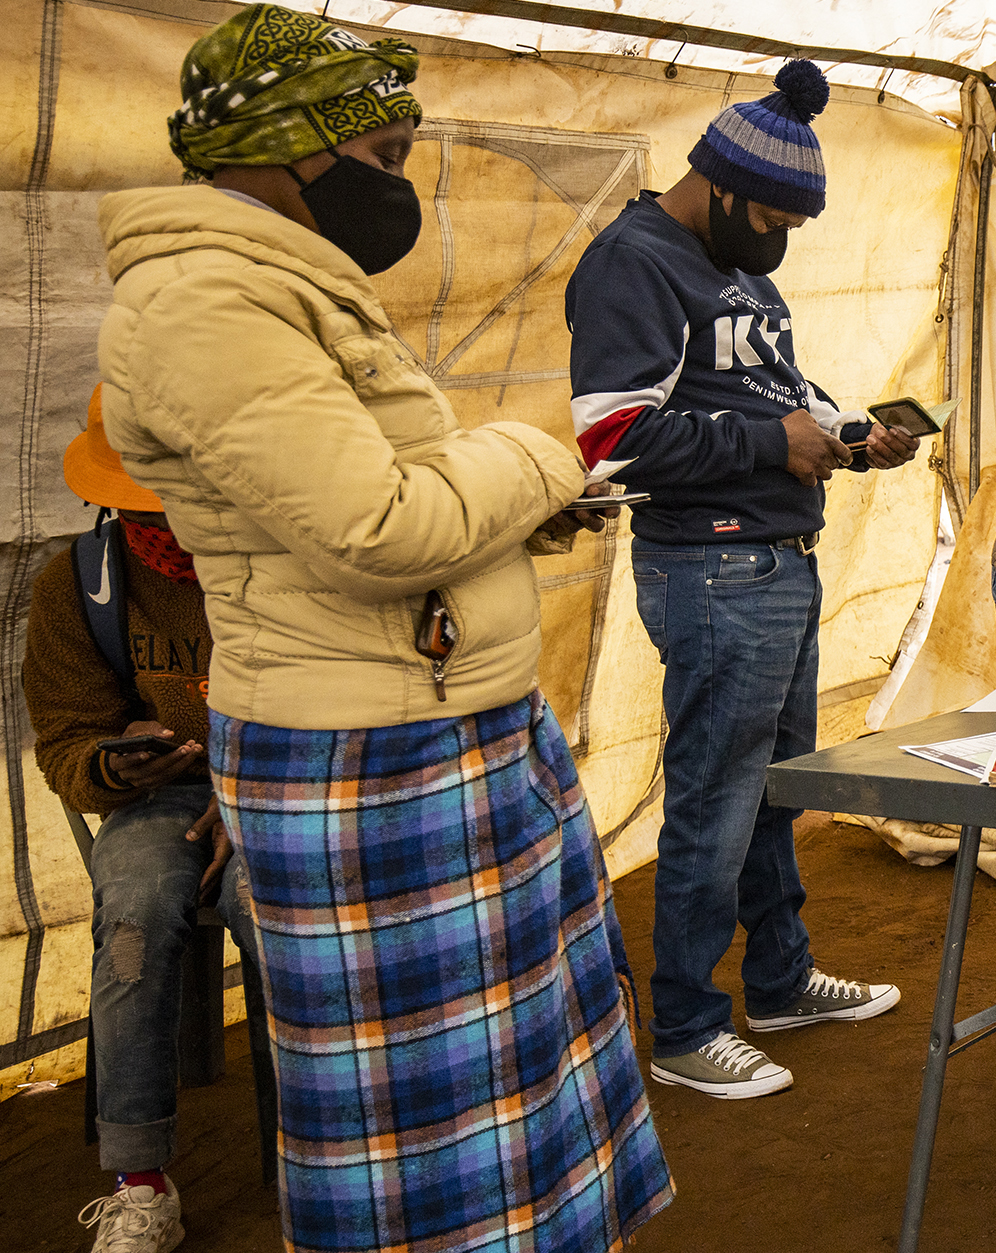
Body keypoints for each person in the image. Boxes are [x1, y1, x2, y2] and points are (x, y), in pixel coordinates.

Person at [96, 7, 672, 1250]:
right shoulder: (205, 303)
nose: (399, 182)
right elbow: (377, 526)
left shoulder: (280, 281)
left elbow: (361, 509)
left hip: (437, 724)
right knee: (433, 1160)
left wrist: (511, 526)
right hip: (370, 755)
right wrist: (536, 455)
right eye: (387, 152)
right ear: (286, 145)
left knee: (516, 1098)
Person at [564, 59, 911, 1100]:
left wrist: (854, 436)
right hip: (712, 566)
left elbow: (775, 399)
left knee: (769, 794)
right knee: (716, 801)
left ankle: (778, 978)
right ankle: (682, 1025)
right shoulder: (635, 260)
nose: (781, 237)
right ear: (715, 185)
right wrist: (775, 441)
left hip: (774, 560)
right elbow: (612, 436)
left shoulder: (741, 270)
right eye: (769, 214)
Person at [23, 395, 255, 1253]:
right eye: (144, 500)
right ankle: (138, 1181)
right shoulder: (77, 587)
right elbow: (66, 739)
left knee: (285, 918)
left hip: (274, 787)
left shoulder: (278, 568)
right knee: (132, 916)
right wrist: (113, 762)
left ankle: (331, 1146)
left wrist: (250, 784)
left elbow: (332, 702)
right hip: (154, 800)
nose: (164, 521)